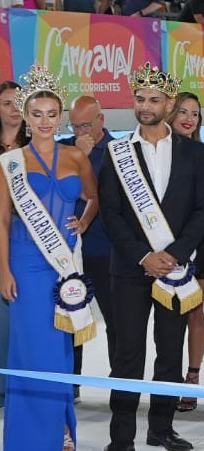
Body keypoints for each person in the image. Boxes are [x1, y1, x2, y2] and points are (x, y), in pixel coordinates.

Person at [98, 62, 204, 451]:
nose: (145, 106)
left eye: (153, 99)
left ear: (169, 104)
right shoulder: (117, 152)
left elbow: (202, 210)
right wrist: (143, 256)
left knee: (169, 351)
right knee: (127, 355)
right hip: (130, 270)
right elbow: (109, 212)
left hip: (176, 270)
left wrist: (176, 254)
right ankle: (120, 438)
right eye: (139, 98)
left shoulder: (194, 151)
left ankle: (161, 427)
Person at [0, 64, 98, 451]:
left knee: (58, 351)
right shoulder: (11, 161)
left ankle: (62, 431)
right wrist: (3, 270)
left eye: (51, 114)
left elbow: (94, 199)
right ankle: (28, 441)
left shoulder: (76, 156)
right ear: (25, 116)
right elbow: (3, 219)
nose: (44, 121)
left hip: (63, 266)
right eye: (36, 114)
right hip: (24, 264)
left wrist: (84, 221)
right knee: (27, 351)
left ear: (60, 117)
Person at [58, 96, 116, 395]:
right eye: (75, 125)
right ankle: (71, 385)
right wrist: (74, 158)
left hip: (107, 250)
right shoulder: (61, 150)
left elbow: (101, 197)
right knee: (69, 317)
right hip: (67, 253)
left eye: (86, 125)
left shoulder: (119, 152)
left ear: (101, 121)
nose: (80, 132)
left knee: (117, 323)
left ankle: (121, 385)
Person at [165, 92, 204, 413]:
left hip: (196, 243)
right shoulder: (155, 152)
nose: (188, 118)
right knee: (167, 316)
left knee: (193, 311)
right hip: (162, 245)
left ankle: (192, 377)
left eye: (195, 114)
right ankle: (166, 379)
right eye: (182, 111)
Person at [0, 81, 24, 409]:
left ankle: (14, 388)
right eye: (6, 103)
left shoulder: (39, 146)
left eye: (19, 102)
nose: (14, 108)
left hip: (26, 241)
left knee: (17, 317)